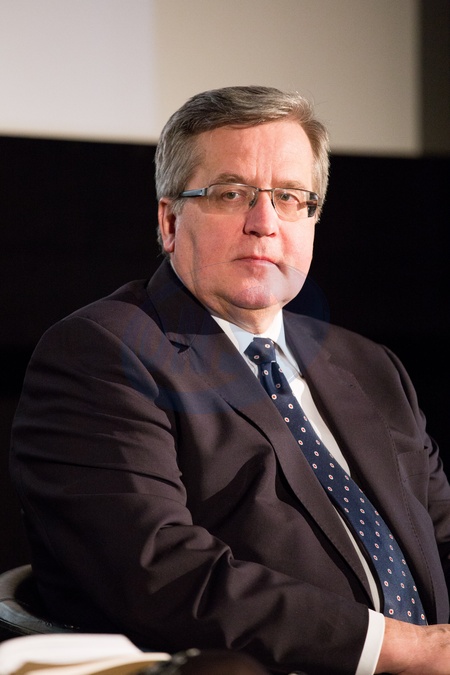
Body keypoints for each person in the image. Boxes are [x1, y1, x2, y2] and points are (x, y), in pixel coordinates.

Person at [9, 85, 450, 674]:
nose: (264, 223)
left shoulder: (370, 366)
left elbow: (441, 536)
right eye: (231, 193)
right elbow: (157, 572)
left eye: (290, 197)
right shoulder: (102, 353)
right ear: (170, 221)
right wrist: (408, 649)